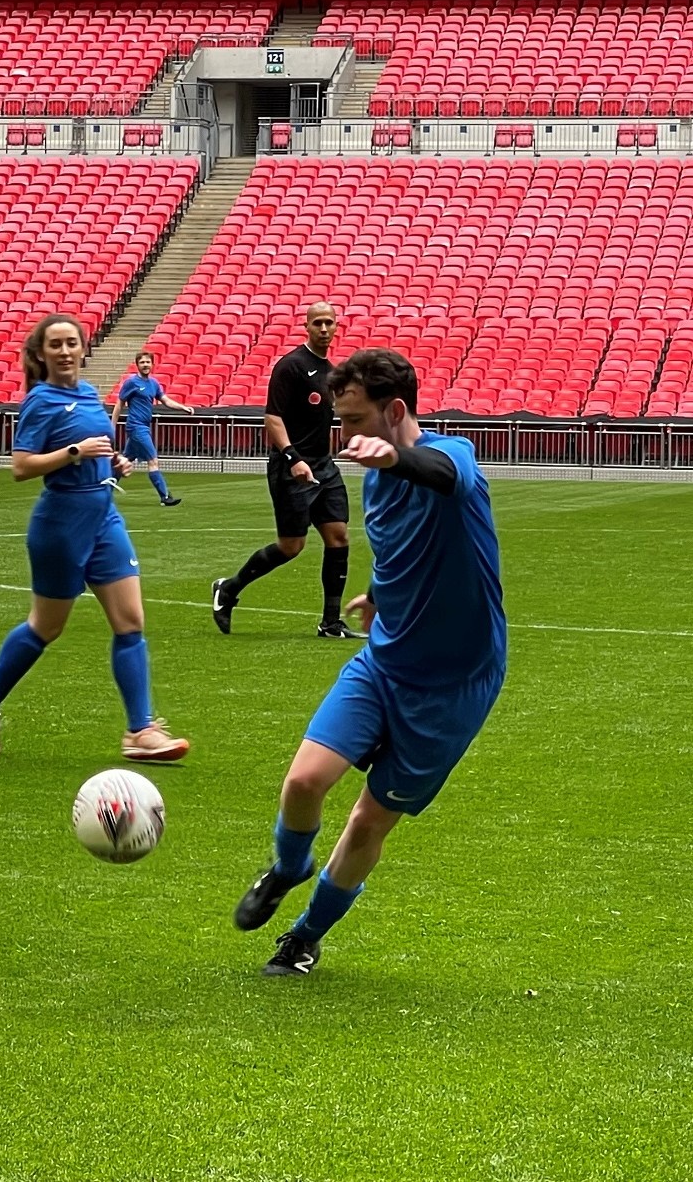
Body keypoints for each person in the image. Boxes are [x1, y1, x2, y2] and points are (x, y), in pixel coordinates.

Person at [232, 349, 506, 976]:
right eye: (339, 421)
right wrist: (378, 595)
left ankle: (305, 936)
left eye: (355, 421)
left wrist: (396, 456)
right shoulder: (374, 480)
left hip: (453, 687)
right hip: (384, 663)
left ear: (397, 411)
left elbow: (439, 473)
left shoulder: (451, 457)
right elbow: (404, 547)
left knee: (367, 820)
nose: (344, 436)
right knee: (303, 782)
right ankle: (289, 866)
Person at [0, 314, 189, 763]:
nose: (65, 352)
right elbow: (22, 467)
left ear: (84, 349)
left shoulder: (87, 394)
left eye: (72, 344)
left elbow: (95, 447)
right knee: (46, 627)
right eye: (56, 345)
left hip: (104, 515)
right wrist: (75, 453)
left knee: (131, 622)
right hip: (61, 524)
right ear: (41, 354)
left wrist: (114, 462)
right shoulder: (40, 401)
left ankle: (140, 730)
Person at [211, 301, 362, 639]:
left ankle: (331, 623)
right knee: (292, 546)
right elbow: (273, 418)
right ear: (306, 327)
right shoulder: (291, 366)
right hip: (290, 466)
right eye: (318, 323)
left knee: (339, 537)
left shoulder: (331, 372)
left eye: (329, 323)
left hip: (323, 465)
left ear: (337, 326)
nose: (324, 329)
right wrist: (294, 458)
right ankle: (229, 588)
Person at [111, 350, 193, 507]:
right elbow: (119, 404)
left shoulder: (154, 383)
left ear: (152, 364)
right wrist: (112, 425)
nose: (145, 365)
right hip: (136, 427)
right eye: (142, 362)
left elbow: (166, 400)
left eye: (148, 362)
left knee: (124, 461)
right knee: (153, 460)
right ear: (137, 365)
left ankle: (102, 492)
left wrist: (183, 407)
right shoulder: (131, 383)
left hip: (143, 427)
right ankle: (165, 496)